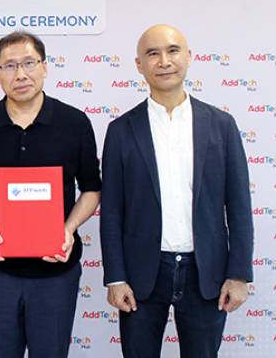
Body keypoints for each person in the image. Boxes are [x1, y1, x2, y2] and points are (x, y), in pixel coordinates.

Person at [100, 24, 254, 357]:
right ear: (139, 64)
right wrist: (115, 277)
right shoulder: (121, 130)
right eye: (152, 53)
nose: (164, 61)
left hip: (206, 272)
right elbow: (111, 211)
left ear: (189, 56)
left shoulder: (221, 126)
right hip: (142, 274)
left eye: (172, 51)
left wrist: (239, 274)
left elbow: (239, 205)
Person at [0, 31, 101, 358]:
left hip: (56, 272)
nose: (20, 74)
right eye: (9, 66)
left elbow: (91, 188)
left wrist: (69, 228)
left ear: (45, 67)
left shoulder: (74, 123)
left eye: (29, 63)